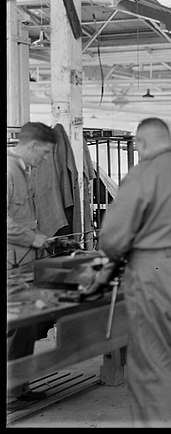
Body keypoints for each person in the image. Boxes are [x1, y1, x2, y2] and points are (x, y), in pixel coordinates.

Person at [99, 118, 171, 427]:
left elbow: (112, 238)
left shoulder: (144, 173)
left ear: (141, 143)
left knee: (155, 368)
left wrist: (113, 259)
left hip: (155, 277)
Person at [7, 122, 57, 402]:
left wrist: (38, 236)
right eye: (46, 153)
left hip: (22, 266)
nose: (46, 159)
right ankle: (11, 392)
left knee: (24, 328)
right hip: (10, 268)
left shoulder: (23, 172)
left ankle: (17, 387)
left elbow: (21, 217)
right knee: (15, 327)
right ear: (33, 146)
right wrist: (33, 239)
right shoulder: (8, 171)